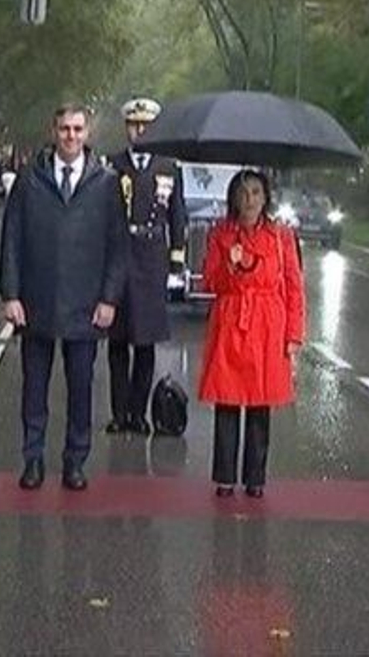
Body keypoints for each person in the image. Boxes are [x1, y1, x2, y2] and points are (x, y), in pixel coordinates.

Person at [0, 103, 128, 491]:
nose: (70, 136)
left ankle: (75, 460)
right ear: (53, 132)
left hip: (86, 305)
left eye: (77, 129)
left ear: (87, 134)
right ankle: (33, 458)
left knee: (81, 388)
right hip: (37, 300)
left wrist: (109, 299)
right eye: (64, 129)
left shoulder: (105, 183)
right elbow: (12, 240)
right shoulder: (30, 180)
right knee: (34, 388)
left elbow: (117, 247)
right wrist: (10, 294)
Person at [198, 169, 304, 497]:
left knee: (261, 402)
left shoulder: (280, 237)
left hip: (267, 325)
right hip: (231, 321)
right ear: (233, 198)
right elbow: (210, 282)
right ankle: (225, 476)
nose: (249, 200)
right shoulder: (220, 233)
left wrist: (293, 336)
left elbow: (293, 286)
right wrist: (228, 265)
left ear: (265, 197)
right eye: (243, 193)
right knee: (227, 400)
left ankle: (255, 477)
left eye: (256, 192)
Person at [105, 97, 185, 436]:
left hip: (152, 256)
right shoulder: (112, 165)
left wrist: (176, 264)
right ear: (126, 128)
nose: (140, 130)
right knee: (118, 341)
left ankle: (139, 414)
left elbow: (177, 215)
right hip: (120, 254)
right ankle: (119, 413)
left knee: (145, 342)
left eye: (146, 125)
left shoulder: (168, 167)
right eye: (134, 124)